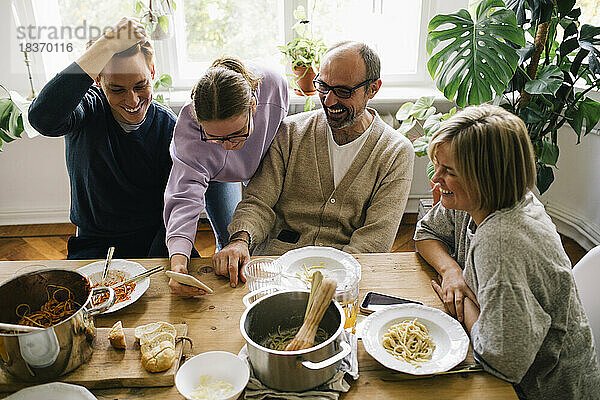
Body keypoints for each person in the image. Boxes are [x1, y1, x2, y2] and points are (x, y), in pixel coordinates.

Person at [415, 104, 600, 399]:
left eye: (448, 171)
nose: (435, 180)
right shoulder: (483, 199)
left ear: (483, 176)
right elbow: (426, 233)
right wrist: (452, 272)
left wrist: (464, 304)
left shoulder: (502, 243)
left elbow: (501, 363)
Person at [213, 41, 415, 288]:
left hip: (345, 275)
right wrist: (240, 240)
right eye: (323, 86)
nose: (329, 101)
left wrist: (332, 283)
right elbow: (258, 201)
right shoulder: (289, 132)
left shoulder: (395, 152)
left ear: (373, 89)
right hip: (277, 267)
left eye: (343, 91)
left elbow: (375, 239)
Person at [28, 17, 175, 260]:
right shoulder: (87, 109)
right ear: (97, 81)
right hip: (93, 243)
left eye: (140, 85)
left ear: (152, 72)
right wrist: (106, 45)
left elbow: (173, 207)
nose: (132, 101)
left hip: (157, 239)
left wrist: (155, 265)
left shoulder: (168, 126)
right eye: (117, 89)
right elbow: (41, 119)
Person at [163, 57, 288, 297]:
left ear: (253, 105)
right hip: (217, 176)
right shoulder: (189, 128)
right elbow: (183, 198)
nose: (228, 146)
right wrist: (179, 262)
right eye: (216, 138)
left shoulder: (274, 87)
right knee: (229, 234)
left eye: (237, 134)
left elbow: (284, 142)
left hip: (263, 161)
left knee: (259, 229)